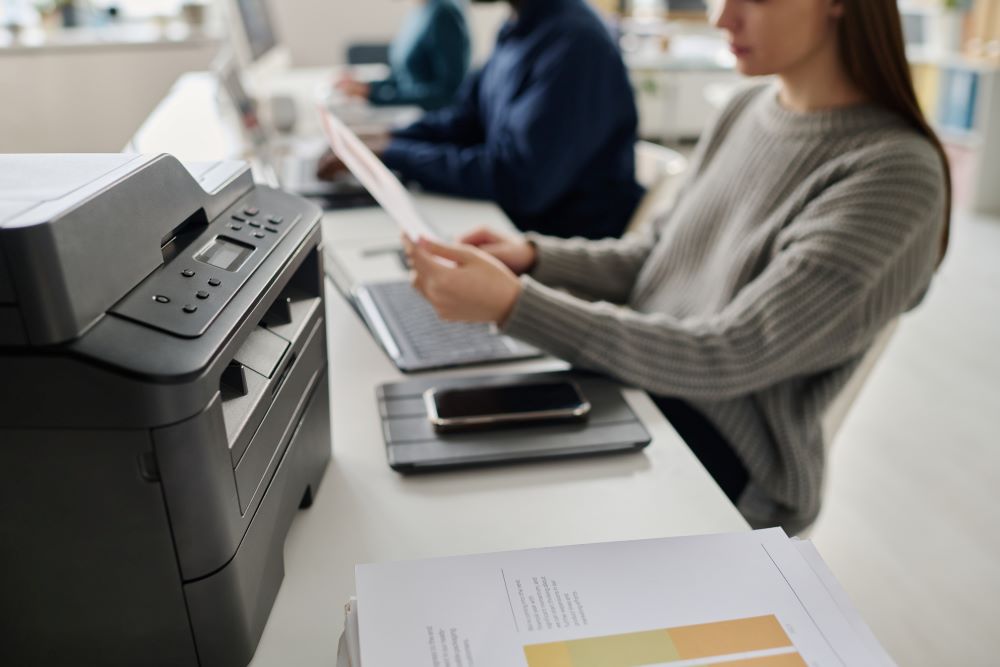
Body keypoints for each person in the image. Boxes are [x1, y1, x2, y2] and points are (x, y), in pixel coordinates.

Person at [404, 0, 952, 534]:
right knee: (427, 454)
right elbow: (655, 258)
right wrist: (533, 258)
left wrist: (515, 304)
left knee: (463, 510)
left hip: (723, 454)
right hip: (639, 383)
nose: (721, 17)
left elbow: (731, 355)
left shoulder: (893, 172)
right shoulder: (745, 108)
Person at [322, 0, 644, 240]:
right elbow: (465, 122)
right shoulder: (517, 28)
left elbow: (518, 181)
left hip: (558, 247)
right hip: (511, 225)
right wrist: (388, 137)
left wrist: (395, 152)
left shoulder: (576, 44)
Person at [336, 0, 471, 112]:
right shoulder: (419, 10)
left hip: (427, 117)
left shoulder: (444, 14)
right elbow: (404, 76)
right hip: (406, 110)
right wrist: (368, 87)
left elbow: (446, 94)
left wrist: (375, 95)